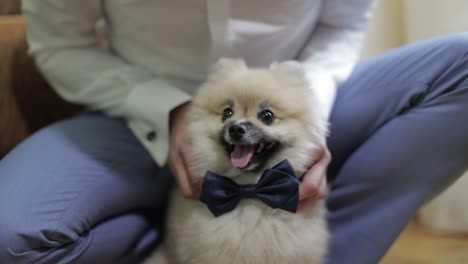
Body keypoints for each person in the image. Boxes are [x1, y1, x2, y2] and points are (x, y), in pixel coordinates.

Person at [1, 0, 467, 263]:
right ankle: (176, 245)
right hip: (133, 114)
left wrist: (309, 115)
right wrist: (165, 108)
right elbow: (61, 44)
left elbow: (341, 24)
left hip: (296, 102)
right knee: (11, 239)